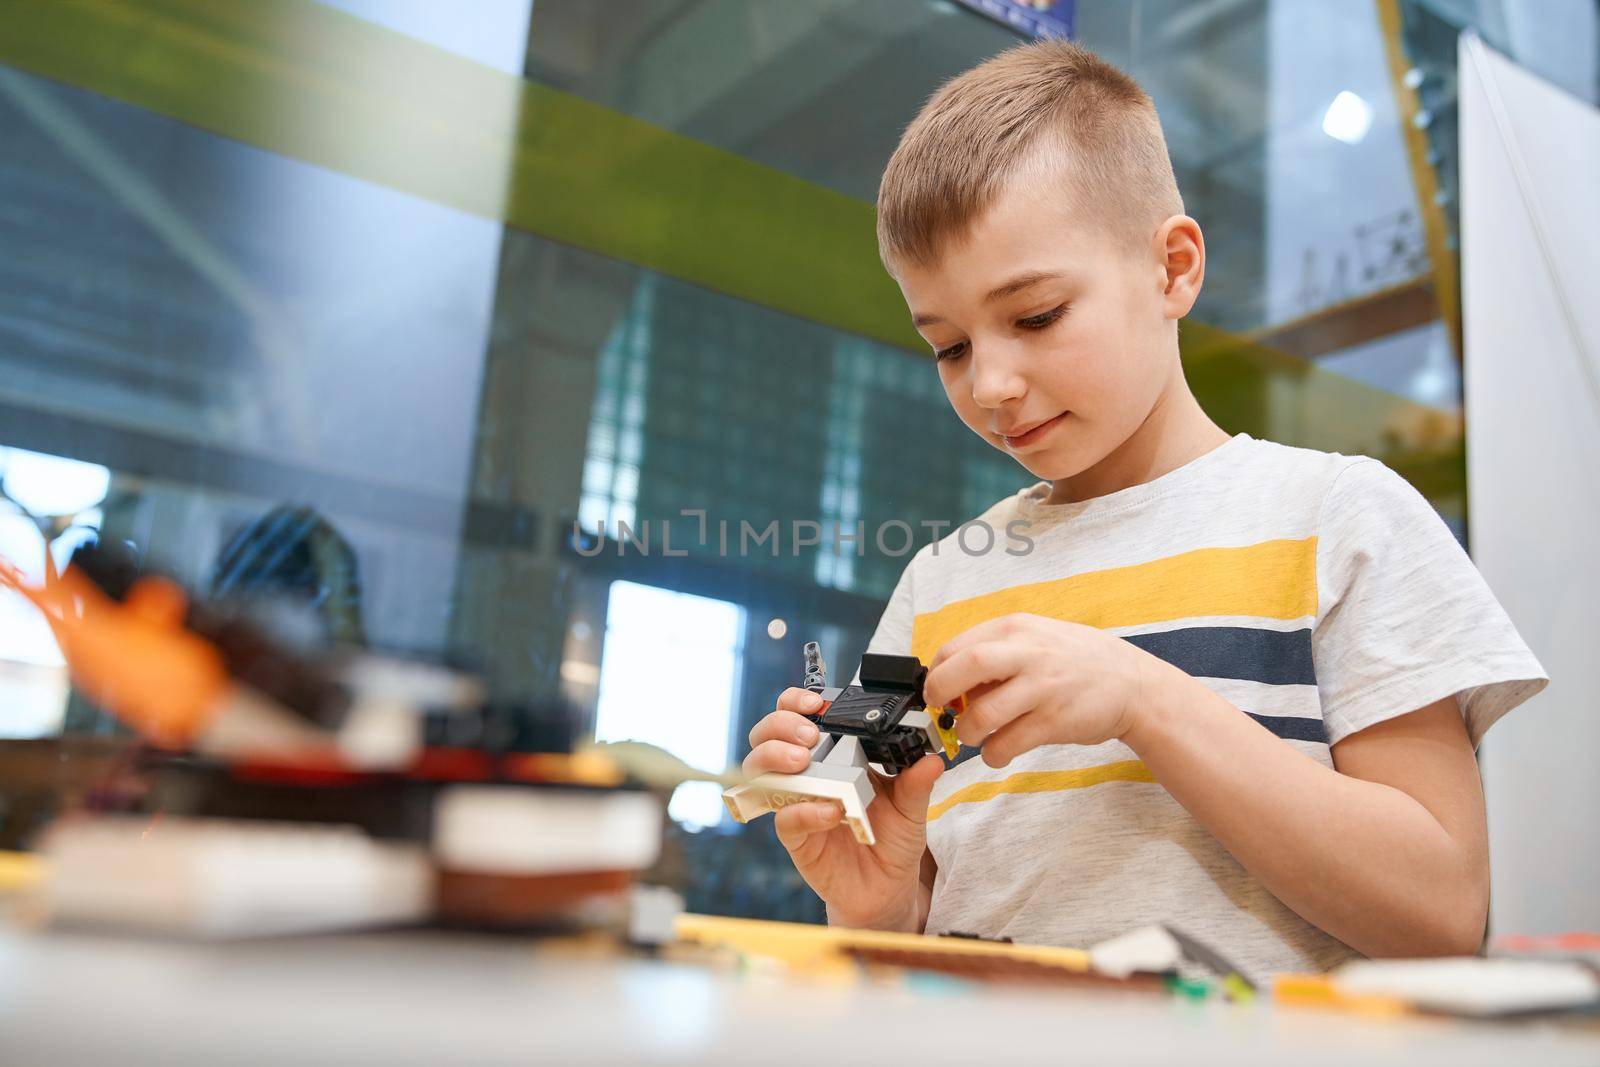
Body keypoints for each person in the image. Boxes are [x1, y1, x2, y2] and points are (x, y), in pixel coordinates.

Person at [740, 39, 1546, 979]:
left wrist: (1146, 700)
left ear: (1173, 268)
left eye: (1036, 315)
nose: (992, 383)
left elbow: (1443, 911)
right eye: (949, 346)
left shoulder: (1338, 519)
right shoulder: (944, 580)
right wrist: (873, 902)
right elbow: (914, 931)